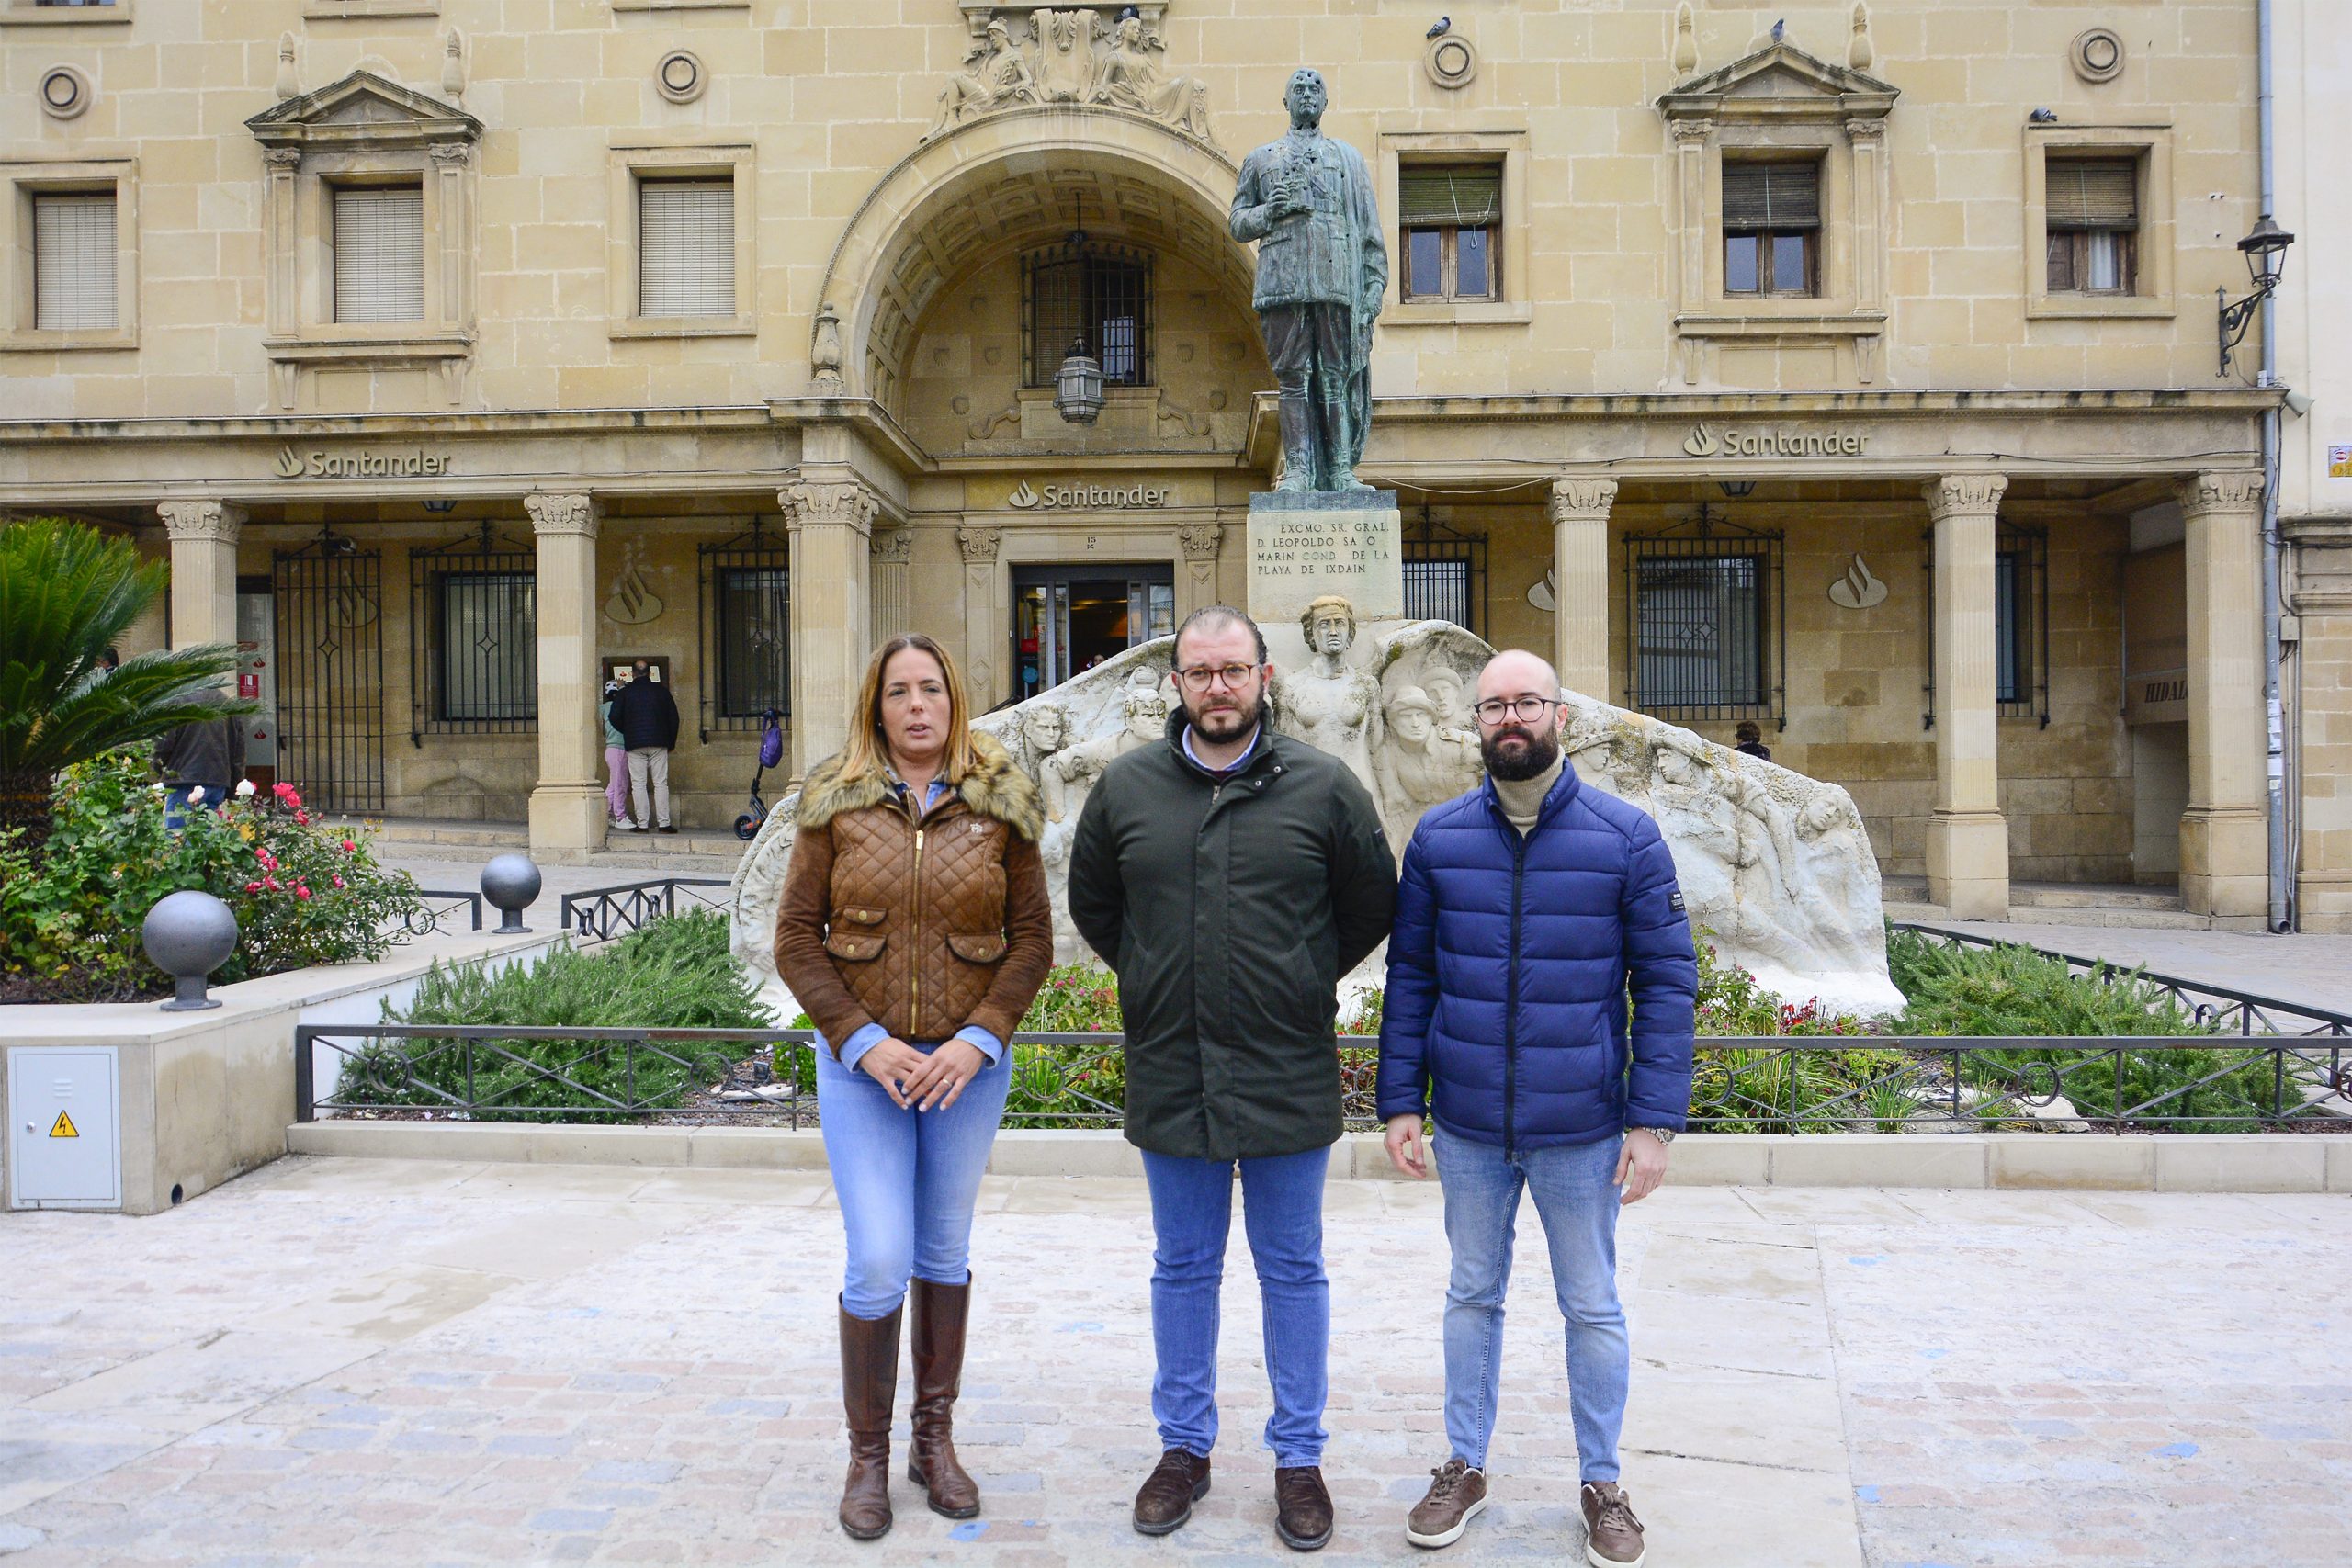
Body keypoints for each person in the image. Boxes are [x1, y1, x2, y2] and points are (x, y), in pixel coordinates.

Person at [1068, 604, 1396, 1552]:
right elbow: (1096, 905)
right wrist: (1156, 975)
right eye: (1200, 672)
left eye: (1234, 670)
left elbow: (1369, 902)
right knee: (1182, 1266)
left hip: (1286, 1066)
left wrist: (1298, 975)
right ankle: (1184, 1449)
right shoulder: (1127, 789)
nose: (1218, 687)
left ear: (1263, 677)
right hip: (1172, 1066)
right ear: (1176, 683)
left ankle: (1299, 1458)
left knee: (1292, 1269)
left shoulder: (1324, 788)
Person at [1376, 649, 1697, 1567]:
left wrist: (1651, 1122)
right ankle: (1463, 1465)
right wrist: (1400, 1099)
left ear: (1560, 715)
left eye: (1526, 702)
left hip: (1581, 1127)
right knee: (1471, 1295)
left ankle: (1603, 1483)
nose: (1509, 718)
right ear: (1475, 723)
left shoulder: (1625, 837)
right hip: (1469, 1123)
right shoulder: (1439, 839)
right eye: (1494, 706)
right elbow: (1412, 977)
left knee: (1590, 1305)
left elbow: (1666, 982)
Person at [771, 634, 1053, 1541]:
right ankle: (867, 1455)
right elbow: (796, 938)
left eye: (932, 688)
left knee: (941, 1249)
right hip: (866, 1071)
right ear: (877, 706)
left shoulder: (1002, 802)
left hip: (964, 1071)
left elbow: (1033, 941)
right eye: (900, 691)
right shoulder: (835, 802)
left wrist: (979, 1038)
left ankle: (934, 1441)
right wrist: (862, 1041)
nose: (918, 705)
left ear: (954, 700)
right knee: (878, 1257)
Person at [1228, 69, 1386, 491]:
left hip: (1336, 283)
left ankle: (1340, 470)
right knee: (1293, 379)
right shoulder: (1261, 158)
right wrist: (1268, 212)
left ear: (1325, 102)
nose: (1306, 94)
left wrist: (1374, 284)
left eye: (1315, 87)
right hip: (1283, 284)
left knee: (1335, 377)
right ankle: (1298, 470)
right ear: (1286, 101)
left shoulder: (1348, 159)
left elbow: (1369, 228)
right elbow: (1237, 221)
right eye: (1298, 88)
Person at [155, 686, 244, 828]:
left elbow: (164, 743)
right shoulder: (226, 703)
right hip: (217, 781)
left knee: (178, 834)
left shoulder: (178, 700)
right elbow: (238, 752)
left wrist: (158, 771)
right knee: (205, 834)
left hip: (183, 780)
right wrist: (234, 787)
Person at [609, 660, 680, 834]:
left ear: (632, 674)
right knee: (661, 783)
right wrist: (670, 742)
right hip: (658, 742)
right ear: (649, 673)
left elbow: (614, 717)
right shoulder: (662, 692)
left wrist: (628, 731)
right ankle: (664, 824)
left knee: (638, 784)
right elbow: (674, 718)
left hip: (634, 743)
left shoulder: (625, 693)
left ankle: (642, 824)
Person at [599, 680, 630, 828]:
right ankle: (620, 817)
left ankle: (604, 814)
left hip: (611, 748)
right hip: (619, 748)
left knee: (613, 784)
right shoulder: (619, 707)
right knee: (620, 784)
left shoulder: (603, 708)